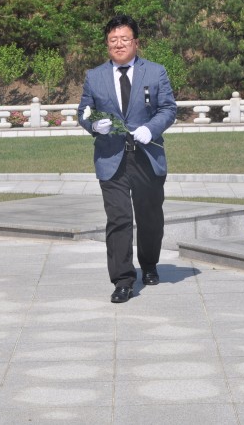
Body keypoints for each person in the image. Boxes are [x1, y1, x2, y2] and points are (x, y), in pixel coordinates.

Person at [78, 15, 177, 303]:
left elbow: (168, 109)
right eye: (113, 40)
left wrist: (151, 129)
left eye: (124, 39)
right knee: (119, 219)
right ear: (107, 44)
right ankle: (122, 280)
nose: (119, 44)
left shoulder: (155, 72)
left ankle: (149, 263)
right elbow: (84, 111)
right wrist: (93, 125)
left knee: (150, 218)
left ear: (135, 42)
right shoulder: (94, 76)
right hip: (111, 158)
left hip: (146, 155)